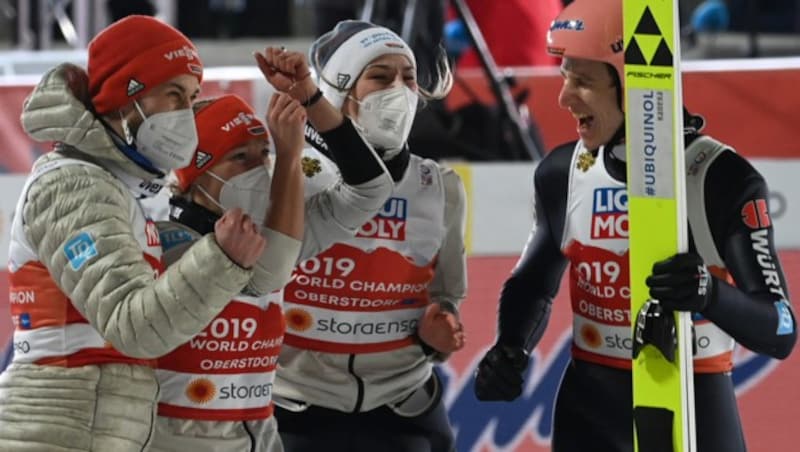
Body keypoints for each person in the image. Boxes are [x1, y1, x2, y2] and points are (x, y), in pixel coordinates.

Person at [473, 1, 797, 451]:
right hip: (590, 408)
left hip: (694, 401)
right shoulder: (562, 172)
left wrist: (709, 293)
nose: (564, 97)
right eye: (565, 75)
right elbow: (533, 282)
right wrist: (510, 349)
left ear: (637, 81)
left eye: (583, 81)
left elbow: (780, 329)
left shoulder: (720, 177)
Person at [0, 16, 278, 451]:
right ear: (126, 98)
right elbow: (133, 327)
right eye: (172, 95)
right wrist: (222, 260)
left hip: (92, 431)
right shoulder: (74, 185)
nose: (185, 113)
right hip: (61, 434)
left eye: (190, 98)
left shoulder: (124, 190)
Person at [149, 62, 396, 449]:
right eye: (240, 158)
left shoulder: (277, 225)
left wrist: (312, 100)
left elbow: (371, 190)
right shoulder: (163, 240)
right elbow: (268, 272)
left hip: (259, 435)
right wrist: (289, 158)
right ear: (195, 176)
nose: (259, 170)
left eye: (263, 154)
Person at [254, 21, 468, 452]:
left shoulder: (439, 185)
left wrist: (441, 331)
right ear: (339, 91)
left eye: (408, 77)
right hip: (295, 411)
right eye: (380, 77)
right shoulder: (288, 173)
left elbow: (446, 295)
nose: (400, 91)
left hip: (404, 409)